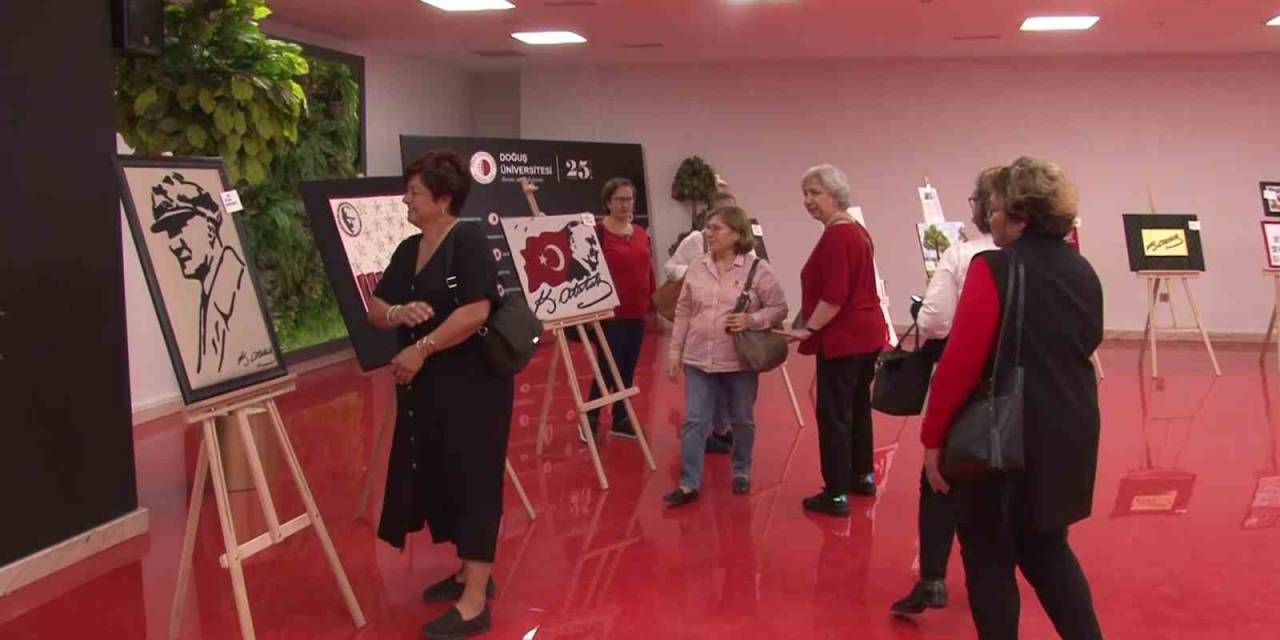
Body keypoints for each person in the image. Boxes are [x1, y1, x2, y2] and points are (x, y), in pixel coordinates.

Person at [922, 157, 1104, 639]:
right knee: (1047, 548)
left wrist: (932, 438)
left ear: (1022, 216)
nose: (991, 219)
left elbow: (960, 365)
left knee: (987, 556)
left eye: (998, 209)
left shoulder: (994, 269)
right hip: (1069, 427)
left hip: (1004, 435)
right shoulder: (1082, 270)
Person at [366, 149, 514, 640]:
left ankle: (475, 604)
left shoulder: (467, 239)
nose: (406, 200)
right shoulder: (410, 248)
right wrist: (394, 314)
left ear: (443, 199)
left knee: (474, 481)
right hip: (430, 391)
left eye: (414, 193)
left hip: (474, 388)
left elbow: (475, 311)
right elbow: (376, 302)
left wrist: (421, 349)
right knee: (445, 476)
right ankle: (466, 572)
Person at [891, 167, 1000, 616]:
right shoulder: (1046, 261)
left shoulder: (962, 255)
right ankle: (996, 578)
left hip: (968, 382)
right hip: (1025, 387)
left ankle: (933, 577)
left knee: (939, 480)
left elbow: (935, 320)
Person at [781, 164, 888, 515]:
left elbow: (835, 295)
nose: (808, 201)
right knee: (857, 407)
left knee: (834, 413)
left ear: (835, 193)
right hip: (868, 334)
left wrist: (808, 330)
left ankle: (837, 492)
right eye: (805, 194)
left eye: (815, 193)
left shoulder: (837, 235)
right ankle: (862, 476)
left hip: (845, 338)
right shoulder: (856, 229)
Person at [663, 205, 788, 505]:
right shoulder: (697, 266)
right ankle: (689, 483)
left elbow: (779, 308)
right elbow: (682, 310)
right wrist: (674, 351)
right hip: (698, 359)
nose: (709, 233)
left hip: (738, 361)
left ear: (736, 233)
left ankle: (741, 470)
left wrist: (752, 320)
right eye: (708, 227)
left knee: (742, 419)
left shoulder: (758, 270)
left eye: (716, 227)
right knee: (694, 420)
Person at [149, 171, 248, 374]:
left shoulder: (235, 286)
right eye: (169, 233)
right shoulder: (211, 292)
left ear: (210, 224)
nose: (173, 244)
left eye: (179, 227)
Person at [664, 191, 740, 454]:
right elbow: (670, 267)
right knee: (701, 385)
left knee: (724, 383)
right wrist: (698, 271)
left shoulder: (741, 245)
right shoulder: (697, 240)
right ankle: (700, 435)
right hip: (699, 325)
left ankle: (722, 429)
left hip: (727, 328)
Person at [586, 177, 656, 439]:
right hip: (609, 314)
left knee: (628, 366)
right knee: (607, 366)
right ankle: (591, 417)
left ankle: (620, 417)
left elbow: (647, 268)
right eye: (620, 199)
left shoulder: (639, 232)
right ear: (608, 202)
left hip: (637, 311)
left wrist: (652, 299)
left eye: (630, 199)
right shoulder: (597, 232)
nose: (626, 204)